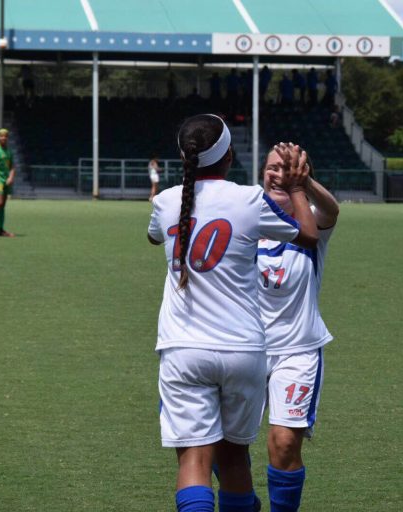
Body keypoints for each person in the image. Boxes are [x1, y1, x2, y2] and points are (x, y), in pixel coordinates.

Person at [147, 114, 318, 512]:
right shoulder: (249, 199)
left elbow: (154, 236)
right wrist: (296, 187)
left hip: (184, 347)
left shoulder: (166, 201)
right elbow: (309, 235)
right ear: (229, 157)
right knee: (234, 458)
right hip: (244, 350)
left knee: (195, 461)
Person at [258, 146, 339, 512]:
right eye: (273, 168)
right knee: (224, 444)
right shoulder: (246, 216)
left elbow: (332, 211)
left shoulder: (311, 226)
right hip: (243, 350)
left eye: (288, 169)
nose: (279, 174)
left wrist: (302, 186)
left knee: (284, 444)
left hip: (297, 350)